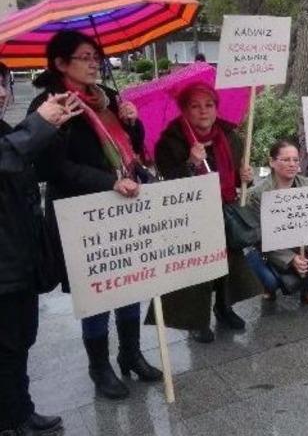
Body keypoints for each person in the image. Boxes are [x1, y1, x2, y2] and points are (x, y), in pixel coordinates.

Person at [33, 30, 162, 400]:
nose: (94, 63)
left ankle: (131, 353)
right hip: (82, 215)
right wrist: (108, 181)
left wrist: (132, 122)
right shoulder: (49, 106)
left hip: (124, 206)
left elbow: (132, 151)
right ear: (60, 63)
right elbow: (50, 168)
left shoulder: (109, 98)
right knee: (98, 293)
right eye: (85, 56)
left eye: (96, 56)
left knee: (130, 283)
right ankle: (100, 367)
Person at [147, 82, 258, 344]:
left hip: (226, 209)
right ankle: (197, 320)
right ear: (184, 111)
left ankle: (224, 308)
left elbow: (238, 177)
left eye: (209, 105)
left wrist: (247, 177)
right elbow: (170, 182)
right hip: (191, 214)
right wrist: (191, 163)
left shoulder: (230, 136)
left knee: (228, 263)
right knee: (200, 269)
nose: (203, 111)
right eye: (195, 106)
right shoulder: (170, 142)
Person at [1, 90, 79, 435]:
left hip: (19, 256)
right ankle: (12, 420)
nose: (3, 90)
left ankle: (20, 412)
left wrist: (54, 128)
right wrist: (36, 124)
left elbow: (31, 164)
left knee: (18, 341)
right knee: (6, 345)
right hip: (5, 261)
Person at [248, 140, 308, 304]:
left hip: (304, 245)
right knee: (271, 281)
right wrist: (290, 258)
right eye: (286, 160)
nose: (292, 164)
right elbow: (260, 236)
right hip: (271, 250)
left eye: (295, 160)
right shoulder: (258, 194)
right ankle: (268, 285)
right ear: (272, 162)